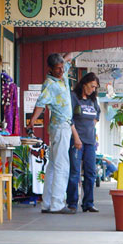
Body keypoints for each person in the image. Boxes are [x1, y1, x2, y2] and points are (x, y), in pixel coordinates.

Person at [28, 52, 79, 214]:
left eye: (62, 67)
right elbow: (40, 104)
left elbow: (69, 57)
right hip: (60, 127)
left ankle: (47, 203)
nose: (61, 70)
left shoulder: (62, 77)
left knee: (52, 166)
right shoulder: (49, 84)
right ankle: (57, 204)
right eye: (57, 69)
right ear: (50, 69)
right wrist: (32, 121)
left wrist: (65, 58)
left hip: (62, 126)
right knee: (62, 165)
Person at [66, 73, 101, 212]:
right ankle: (72, 203)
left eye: (95, 87)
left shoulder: (93, 100)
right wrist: (76, 137)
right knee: (75, 172)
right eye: (92, 86)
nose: (93, 89)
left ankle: (88, 203)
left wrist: (92, 126)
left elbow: (97, 114)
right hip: (77, 140)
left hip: (90, 141)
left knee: (91, 172)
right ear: (84, 83)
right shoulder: (74, 97)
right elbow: (69, 118)